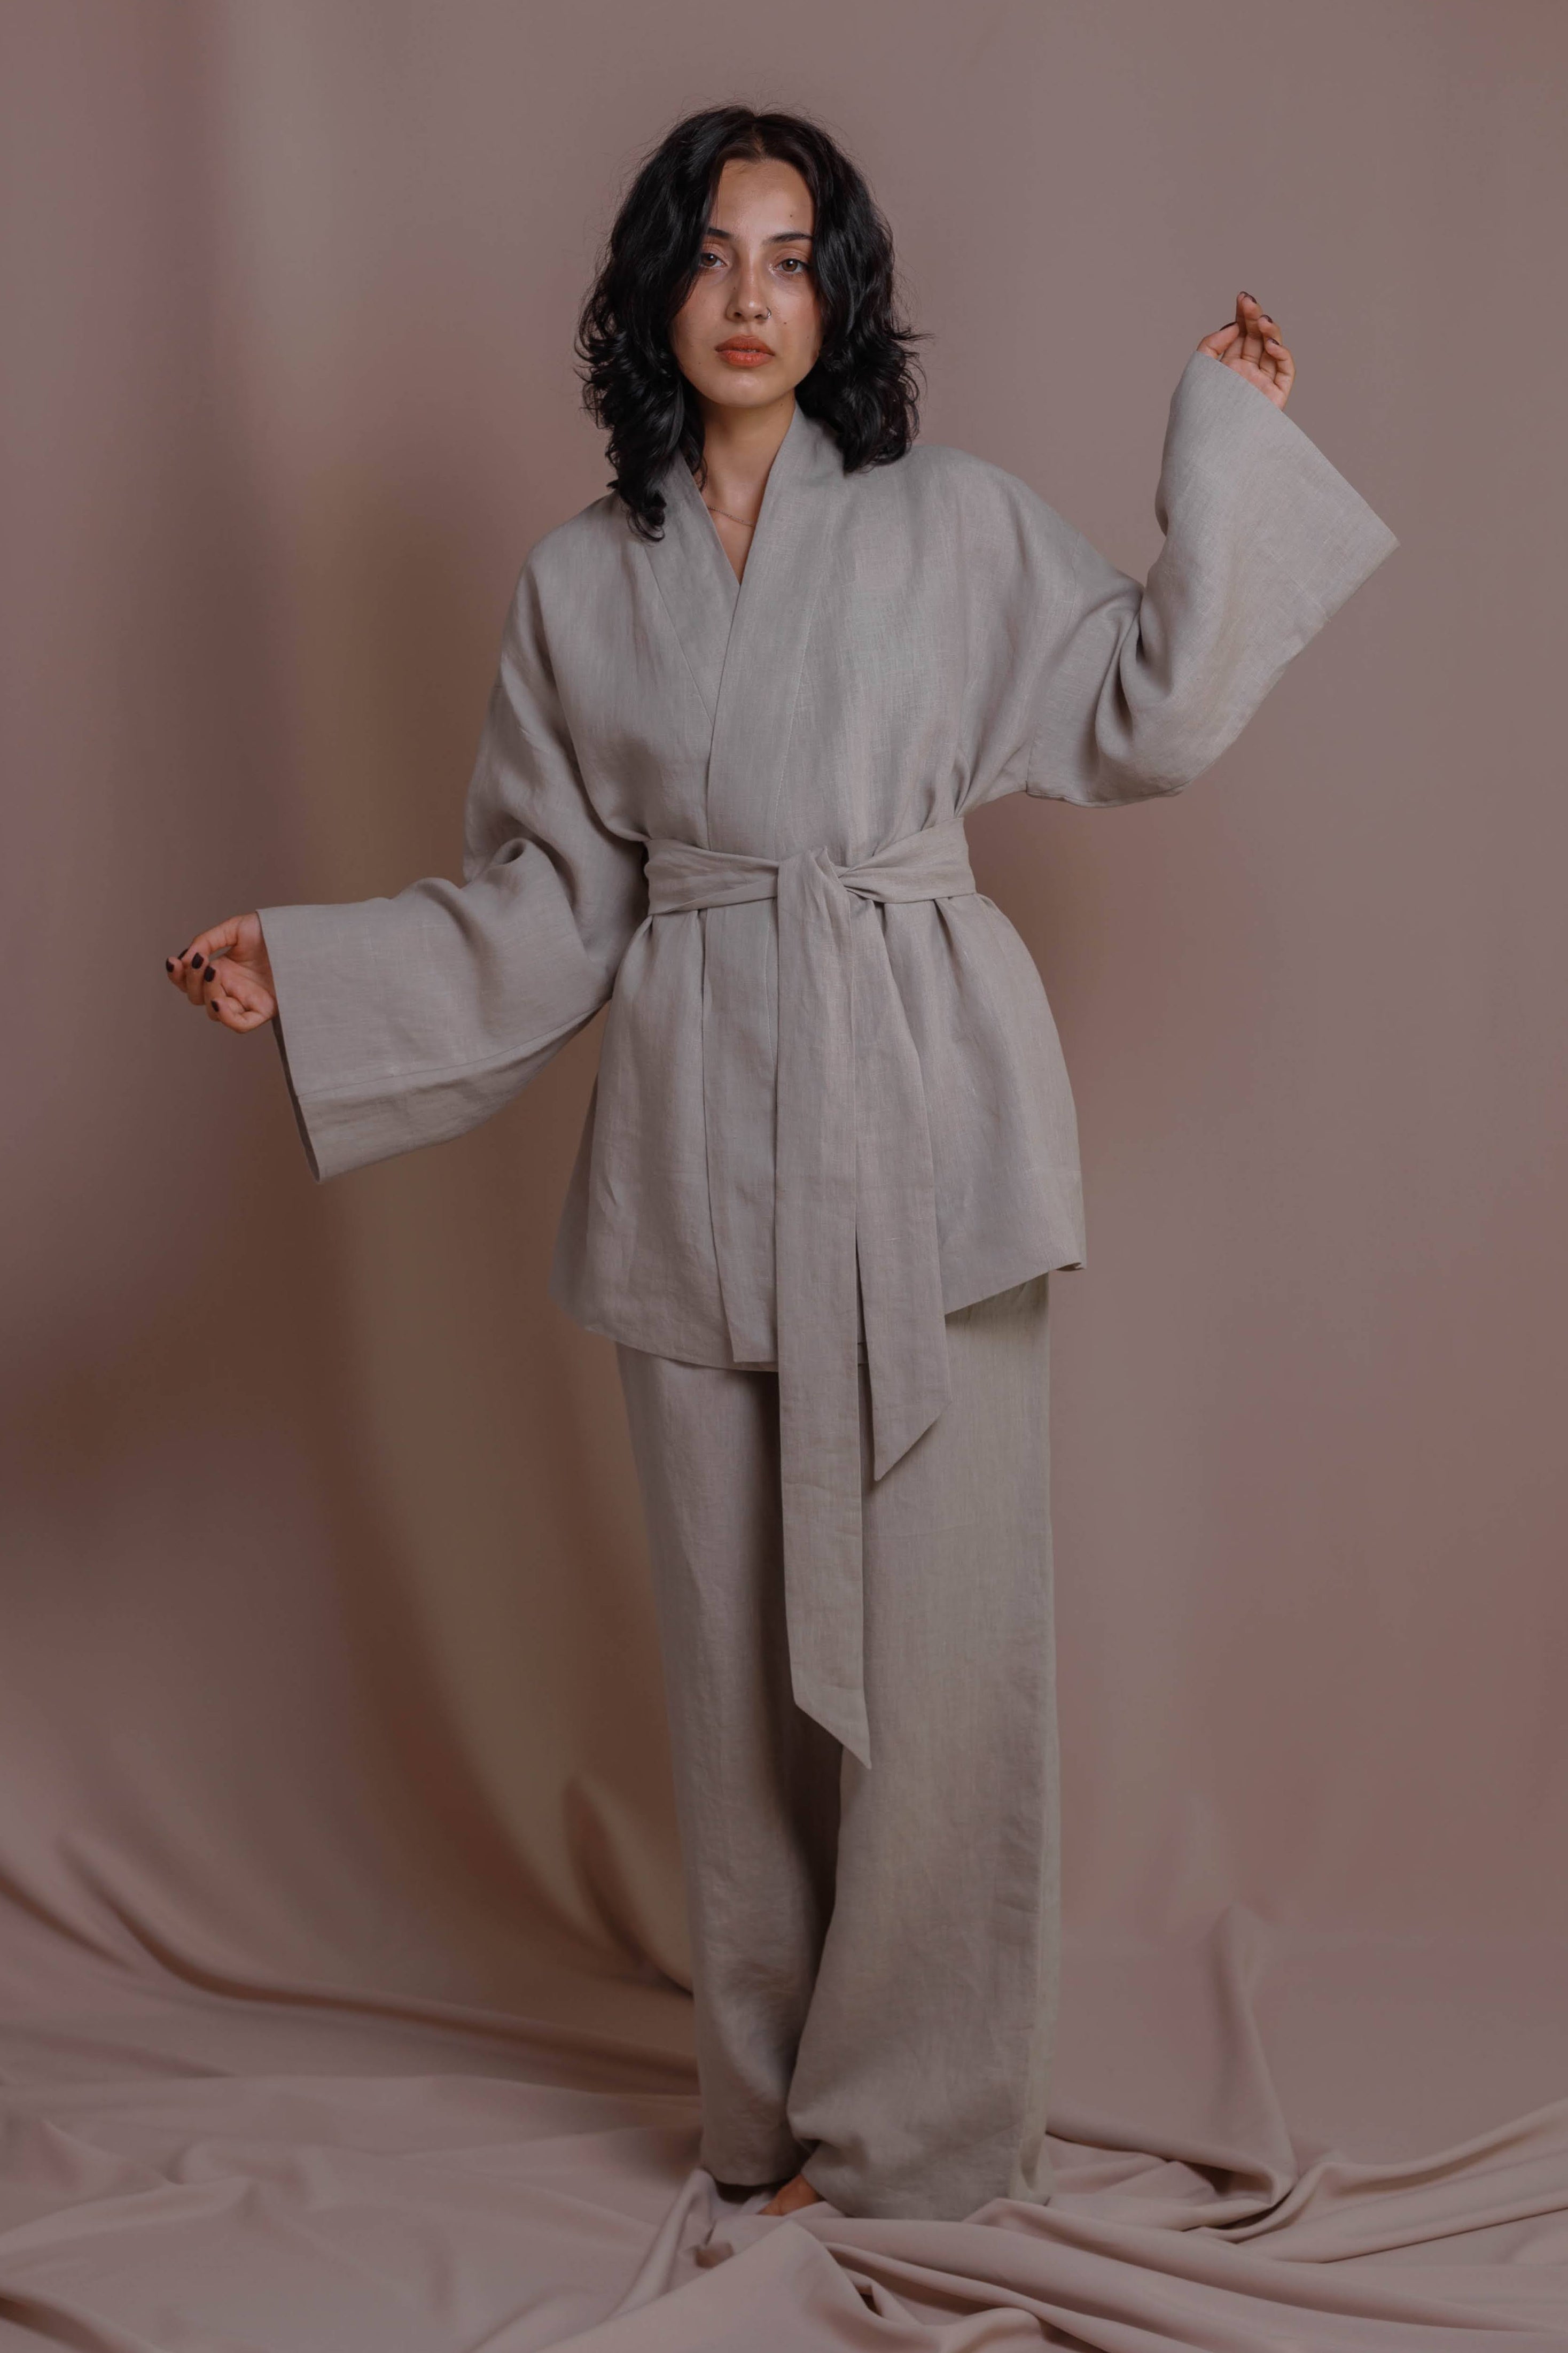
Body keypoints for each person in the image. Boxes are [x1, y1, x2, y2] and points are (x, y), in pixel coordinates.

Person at [165, 105, 1396, 2223]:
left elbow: (1136, 710)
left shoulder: (947, 528)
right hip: (693, 1146)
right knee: (737, 1694)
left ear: (839, 296)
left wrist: (1225, 447)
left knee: (948, 1657)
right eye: (714, 254)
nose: (752, 295)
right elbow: (547, 908)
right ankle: (774, 2118)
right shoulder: (579, 586)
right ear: (655, 287)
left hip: (931, 1124)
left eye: (792, 254)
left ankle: (917, 2131)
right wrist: (320, 967)